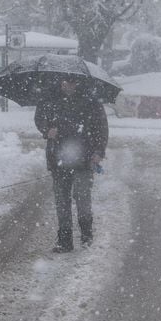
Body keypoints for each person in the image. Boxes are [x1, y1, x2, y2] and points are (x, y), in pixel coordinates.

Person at [34, 75, 108, 253]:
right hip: (57, 159)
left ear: (78, 82)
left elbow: (101, 128)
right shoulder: (49, 98)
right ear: (60, 82)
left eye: (72, 82)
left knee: (82, 197)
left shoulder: (91, 101)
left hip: (84, 158)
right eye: (65, 82)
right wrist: (47, 130)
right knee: (62, 201)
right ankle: (65, 240)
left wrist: (98, 152)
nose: (68, 85)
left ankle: (86, 236)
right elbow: (39, 119)